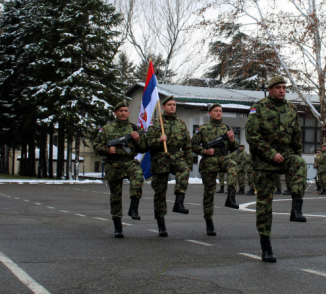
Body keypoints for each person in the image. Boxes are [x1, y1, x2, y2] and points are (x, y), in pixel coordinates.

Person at [245, 76, 307, 263]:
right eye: (278, 87)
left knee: (300, 164)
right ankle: (266, 245)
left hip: (286, 154)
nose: (282, 90)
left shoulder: (290, 109)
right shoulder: (259, 108)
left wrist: (297, 156)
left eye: (284, 87)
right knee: (264, 204)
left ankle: (296, 208)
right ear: (270, 89)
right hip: (265, 160)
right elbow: (252, 135)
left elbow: (296, 136)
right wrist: (271, 153)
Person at [93, 101, 147, 238]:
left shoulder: (134, 128)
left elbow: (144, 148)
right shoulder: (106, 129)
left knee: (138, 178)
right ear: (115, 113)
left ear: (129, 113)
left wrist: (138, 139)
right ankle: (117, 226)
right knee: (115, 196)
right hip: (113, 164)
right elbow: (96, 145)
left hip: (130, 162)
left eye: (125, 111)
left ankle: (133, 208)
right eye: (120, 111)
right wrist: (107, 149)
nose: (123, 113)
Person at [146, 96, 193, 237]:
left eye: (174, 104)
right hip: (160, 158)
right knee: (160, 193)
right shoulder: (155, 124)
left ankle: (179, 202)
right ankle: (161, 223)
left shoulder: (181, 124)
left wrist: (189, 163)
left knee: (184, 170)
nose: (172, 106)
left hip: (176, 156)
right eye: (169, 104)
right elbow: (146, 142)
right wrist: (158, 140)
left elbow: (187, 146)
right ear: (163, 107)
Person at [191, 103, 240, 236]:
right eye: (216, 111)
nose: (219, 113)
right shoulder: (202, 128)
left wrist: (231, 140)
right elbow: (193, 145)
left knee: (233, 165)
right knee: (209, 193)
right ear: (210, 113)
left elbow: (233, 148)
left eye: (220, 111)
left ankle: (231, 196)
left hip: (223, 158)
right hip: (209, 162)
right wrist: (204, 151)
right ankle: (209, 221)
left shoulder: (227, 128)